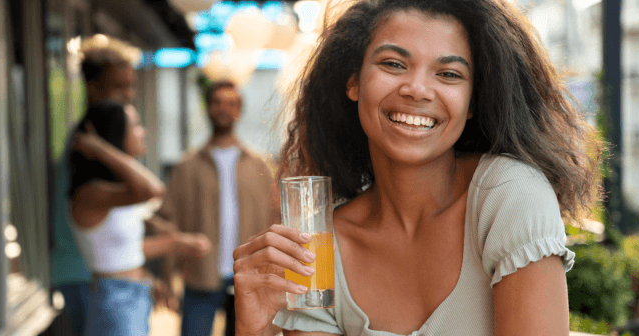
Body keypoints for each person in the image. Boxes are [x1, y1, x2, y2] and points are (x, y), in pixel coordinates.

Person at [232, 0, 605, 335]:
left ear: (473, 102)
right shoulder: (321, 251)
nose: (417, 89)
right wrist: (254, 330)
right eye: (393, 64)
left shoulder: (510, 196)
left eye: (448, 74)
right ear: (353, 82)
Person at [148, 80, 279, 336]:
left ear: (239, 110)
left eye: (231, 103)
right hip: (200, 274)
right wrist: (167, 275)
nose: (224, 109)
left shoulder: (260, 167)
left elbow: (276, 220)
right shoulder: (187, 167)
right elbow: (167, 220)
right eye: (217, 103)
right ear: (207, 108)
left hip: (249, 276)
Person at [68, 100, 209, 336]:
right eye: (135, 126)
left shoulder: (113, 194)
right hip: (115, 299)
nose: (142, 132)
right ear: (115, 135)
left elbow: (127, 251)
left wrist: (177, 244)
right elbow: (153, 189)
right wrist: (101, 148)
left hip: (133, 293)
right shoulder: (91, 194)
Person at [48, 35, 143, 336]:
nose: (128, 95)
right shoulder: (87, 147)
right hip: (83, 275)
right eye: (119, 86)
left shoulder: (102, 143)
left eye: (131, 85)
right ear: (91, 88)